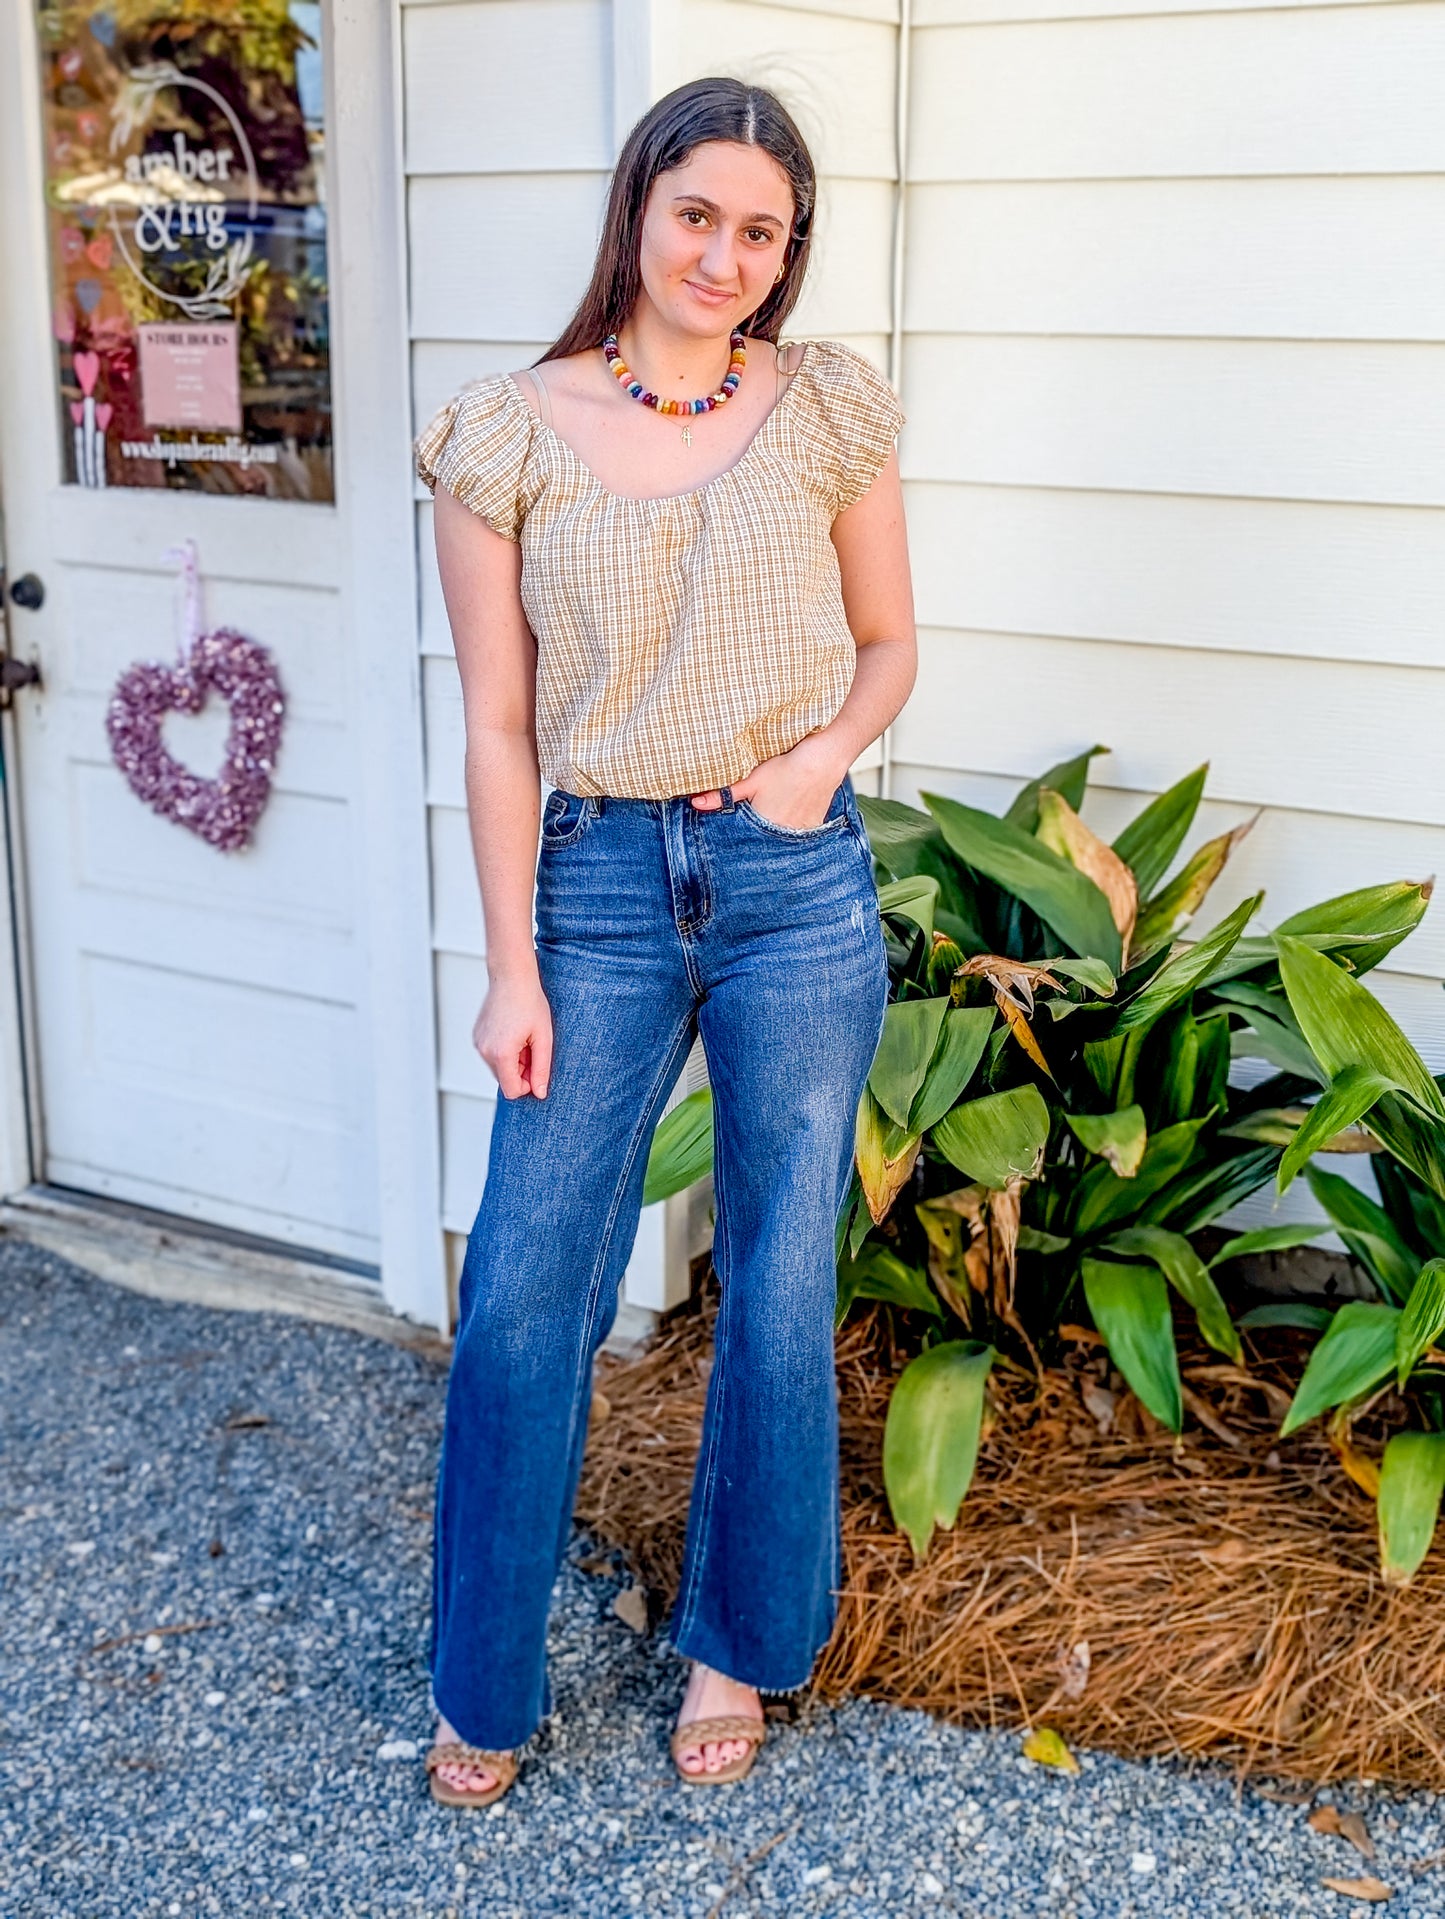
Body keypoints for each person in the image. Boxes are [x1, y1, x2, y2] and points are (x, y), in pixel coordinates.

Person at [414, 74, 915, 1807]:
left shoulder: (829, 410)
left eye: (760, 231)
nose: (722, 253)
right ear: (639, 209)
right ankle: (482, 1676)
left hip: (794, 889)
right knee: (526, 1292)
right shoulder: (503, 433)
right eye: (695, 213)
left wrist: (814, 767)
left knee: (779, 1284)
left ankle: (735, 1642)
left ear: (788, 256)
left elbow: (888, 645)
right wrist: (508, 965)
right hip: (597, 890)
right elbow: (493, 724)